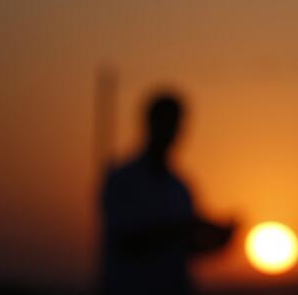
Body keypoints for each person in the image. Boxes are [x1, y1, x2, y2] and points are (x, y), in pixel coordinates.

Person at [99, 92, 236, 295]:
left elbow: (185, 249)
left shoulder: (180, 188)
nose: (172, 130)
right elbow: (124, 240)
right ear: (150, 123)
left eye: (176, 123)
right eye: (167, 121)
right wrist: (183, 228)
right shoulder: (123, 179)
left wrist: (217, 241)